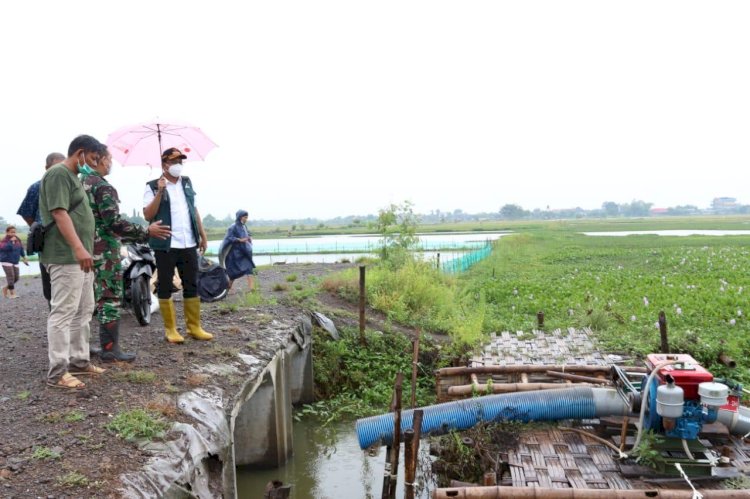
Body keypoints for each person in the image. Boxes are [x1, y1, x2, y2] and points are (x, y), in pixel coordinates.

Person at [81, 146, 171, 362]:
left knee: (87, 300)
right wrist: (145, 231)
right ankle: (110, 349)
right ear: (97, 159)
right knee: (110, 298)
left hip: (84, 248)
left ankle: (82, 348)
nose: (111, 163)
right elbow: (114, 222)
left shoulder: (80, 183)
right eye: (109, 158)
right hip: (104, 250)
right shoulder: (103, 187)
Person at [40, 135, 106, 389]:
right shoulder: (58, 174)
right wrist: (78, 247)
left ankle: (79, 360)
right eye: (92, 158)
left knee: (84, 309)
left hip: (81, 257)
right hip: (66, 255)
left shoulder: (75, 178)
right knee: (63, 312)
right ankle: (58, 372)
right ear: (80, 153)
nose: (93, 163)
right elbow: (59, 212)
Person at [143, 147, 213, 344]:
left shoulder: (187, 183)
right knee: (165, 284)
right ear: (164, 164)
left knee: (191, 282)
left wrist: (202, 234)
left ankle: (194, 327)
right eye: (174, 162)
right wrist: (160, 191)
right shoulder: (152, 186)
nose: (178, 165)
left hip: (188, 241)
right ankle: (171, 330)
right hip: (166, 243)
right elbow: (148, 214)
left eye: (180, 161)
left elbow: (194, 209)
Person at [17, 152, 66, 305]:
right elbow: (26, 213)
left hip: (69, 242)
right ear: (46, 168)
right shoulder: (36, 187)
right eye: (55, 167)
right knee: (50, 284)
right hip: (47, 243)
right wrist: (38, 227)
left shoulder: (71, 187)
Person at [220, 210, 256, 292]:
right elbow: (229, 237)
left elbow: (248, 234)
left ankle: (252, 289)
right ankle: (226, 290)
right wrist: (239, 240)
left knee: (249, 268)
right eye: (245, 217)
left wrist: (249, 237)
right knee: (234, 273)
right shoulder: (233, 227)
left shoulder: (244, 226)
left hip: (244, 252)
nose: (246, 219)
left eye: (247, 217)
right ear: (240, 217)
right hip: (234, 254)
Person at [0, 225, 29, 298]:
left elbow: (21, 249)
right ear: (7, 232)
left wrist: (24, 258)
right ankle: (12, 294)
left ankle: (5, 288)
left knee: (16, 278)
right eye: (11, 232)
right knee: (11, 277)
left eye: (14, 232)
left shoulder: (18, 240)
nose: (13, 234)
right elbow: (5, 249)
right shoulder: (4, 241)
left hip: (15, 261)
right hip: (6, 261)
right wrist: (10, 241)